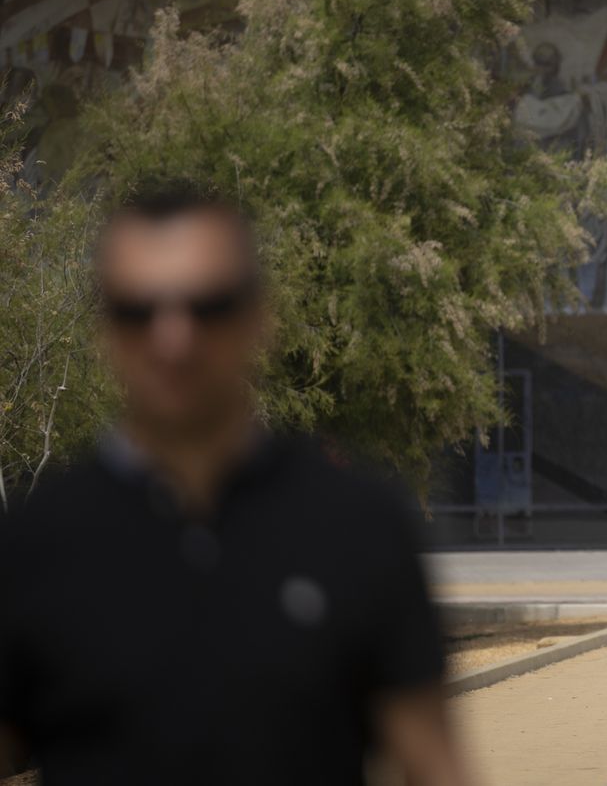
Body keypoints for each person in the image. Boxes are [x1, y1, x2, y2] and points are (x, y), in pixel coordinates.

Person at [0, 183, 466, 786]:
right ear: (106, 332)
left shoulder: (360, 526)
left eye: (207, 306)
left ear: (258, 318)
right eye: (139, 312)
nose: (174, 339)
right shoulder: (36, 546)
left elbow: (433, 765)